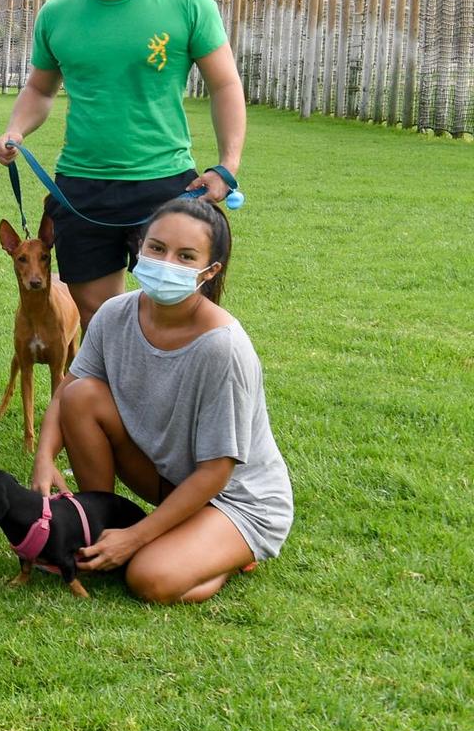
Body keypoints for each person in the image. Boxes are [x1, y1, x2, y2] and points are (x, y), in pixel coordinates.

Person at [0, 0, 247, 334]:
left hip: (166, 182)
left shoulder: (187, 3)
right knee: (96, 318)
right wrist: (16, 130)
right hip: (82, 187)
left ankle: (170, 400)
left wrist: (227, 166)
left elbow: (225, 83)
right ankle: (113, 402)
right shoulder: (57, 14)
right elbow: (40, 89)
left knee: (177, 312)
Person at [32, 198, 291, 603]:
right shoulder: (113, 314)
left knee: (148, 578)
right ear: (139, 247)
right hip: (169, 478)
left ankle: (223, 556)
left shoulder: (223, 348)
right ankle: (98, 523)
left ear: (210, 271)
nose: (166, 262)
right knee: (83, 395)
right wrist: (44, 457)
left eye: (185, 256)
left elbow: (216, 472)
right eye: (157, 248)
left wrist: (136, 538)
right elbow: (69, 388)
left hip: (235, 500)